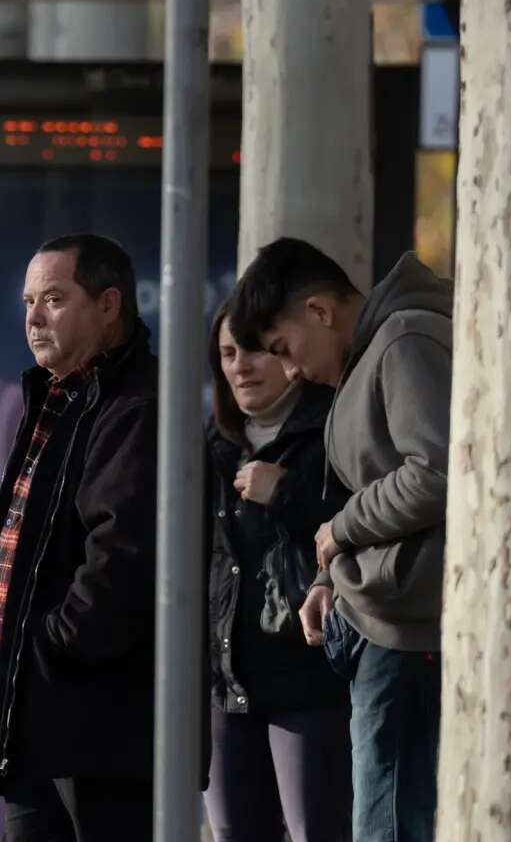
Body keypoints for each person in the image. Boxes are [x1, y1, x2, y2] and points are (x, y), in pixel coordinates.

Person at [228, 239, 453, 842]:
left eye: (284, 349)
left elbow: (434, 470)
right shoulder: (369, 358)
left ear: (320, 312)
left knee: (389, 818)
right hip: (381, 619)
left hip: (407, 629)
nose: (292, 368)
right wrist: (329, 578)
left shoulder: (404, 341)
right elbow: (374, 484)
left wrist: (340, 529)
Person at [0, 233, 159, 842]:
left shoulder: (134, 405)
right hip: (37, 715)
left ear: (108, 305)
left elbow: (122, 556)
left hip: (93, 727)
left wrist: (50, 645)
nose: (33, 318)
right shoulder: (55, 398)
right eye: (28, 301)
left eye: (53, 298)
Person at [203, 302, 352, 841]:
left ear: (287, 354)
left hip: (307, 683)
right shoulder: (211, 445)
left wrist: (285, 492)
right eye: (226, 353)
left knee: (317, 830)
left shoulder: (334, 428)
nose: (241, 365)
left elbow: (357, 531)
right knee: (231, 832)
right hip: (225, 687)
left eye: (255, 349)